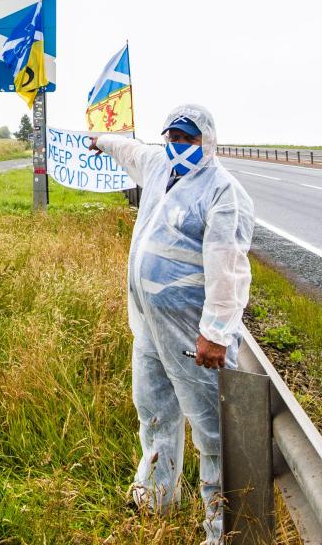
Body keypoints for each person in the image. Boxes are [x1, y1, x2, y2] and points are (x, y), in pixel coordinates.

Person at [89, 104, 254, 545]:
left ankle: (219, 529)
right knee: (155, 410)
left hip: (192, 333)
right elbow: (129, 150)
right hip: (149, 325)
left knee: (210, 429)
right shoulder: (160, 167)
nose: (178, 146)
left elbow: (229, 267)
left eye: (188, 139)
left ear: (208, 142)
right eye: (173, 138)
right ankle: (156, 496)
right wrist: (99, 141)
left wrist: (216, 332)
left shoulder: (222, 192)